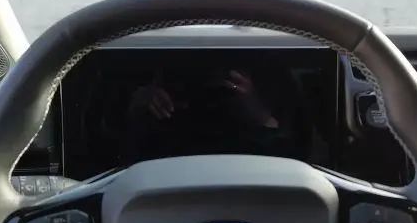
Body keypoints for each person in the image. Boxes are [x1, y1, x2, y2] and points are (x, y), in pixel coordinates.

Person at [123, 66, 295, 164]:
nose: (209, 97)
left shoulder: (260, 127)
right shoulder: (159, 118)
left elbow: (294, 156)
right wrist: (140, 110)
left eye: (225, 87)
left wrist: (257, 114)